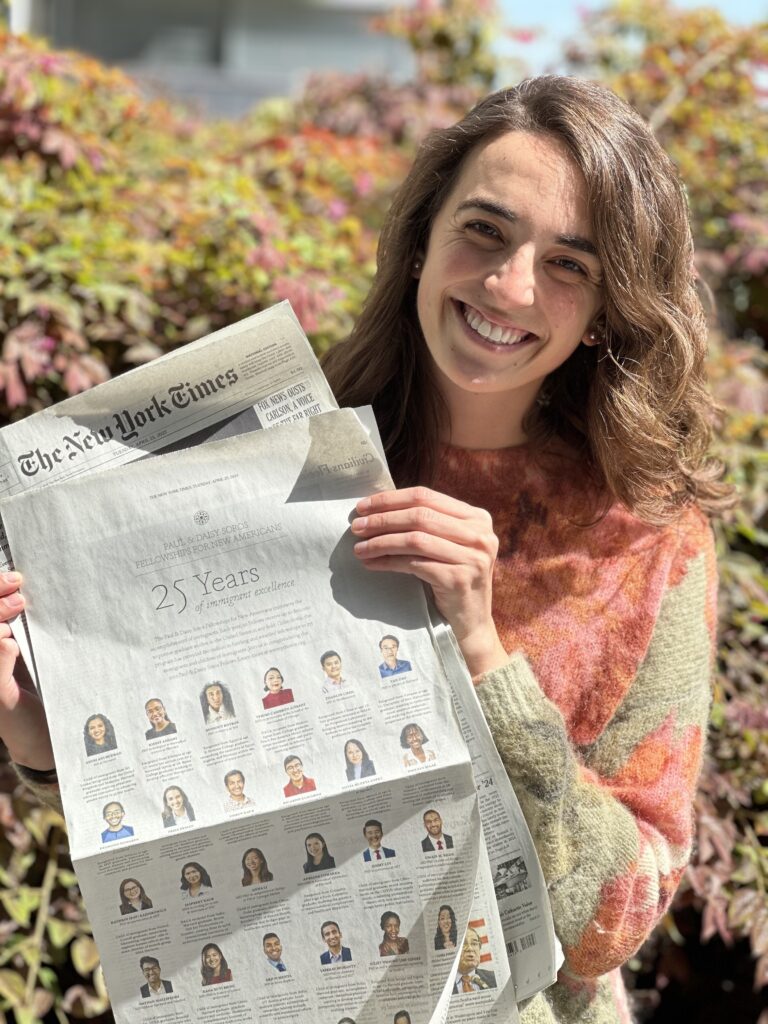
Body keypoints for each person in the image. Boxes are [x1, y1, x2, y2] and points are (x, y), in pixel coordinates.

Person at [0, 75, 729, 1024]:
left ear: (605, 310)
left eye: (569, 265)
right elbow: (196, 822)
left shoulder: (648, 540)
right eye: (485, 230)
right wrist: (33, 728)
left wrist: (482, 650)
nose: (510, 286)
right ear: (423, 234)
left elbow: (613, 925)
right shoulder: (264, 466)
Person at [453, 927, 496, 993]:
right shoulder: (443, 985)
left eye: (474, 943)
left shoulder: (494, 978)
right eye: (463, 944)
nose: (470, 948)